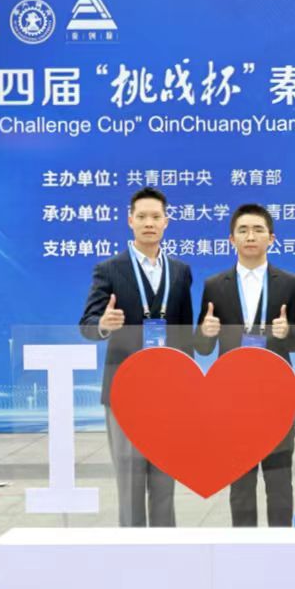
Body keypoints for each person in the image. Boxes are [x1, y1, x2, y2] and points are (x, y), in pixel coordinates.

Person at [79, 187, 195, 527]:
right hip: (124, 390)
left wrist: (188, 387)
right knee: (129, 476)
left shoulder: (180, 271)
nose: (149, 223)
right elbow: (87, 324)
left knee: (164, 478)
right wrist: (103, 325)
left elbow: (184, 332)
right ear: (130, 221)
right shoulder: (109, 269)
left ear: (166, 222)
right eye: (142, 216)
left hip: (169, 391)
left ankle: (165, 546)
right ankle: (131, 548)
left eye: (155, 217)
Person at [194, 204, 295, 527]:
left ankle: (281, 547)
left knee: (279, 482)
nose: (250, 236)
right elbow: (203, 346)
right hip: (232, 400)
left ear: (272, 238)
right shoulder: (215, 285)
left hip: (277, 397)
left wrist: (288, 332)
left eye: (258, 230)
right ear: (231, 239)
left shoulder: (290, 283)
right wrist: (205, 332)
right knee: (240, 485)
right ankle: (243, 548)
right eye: (243, 230)